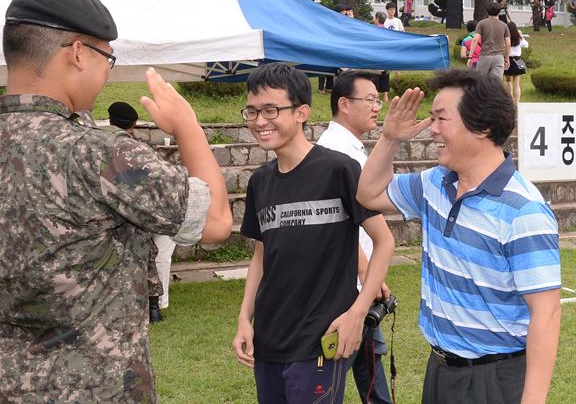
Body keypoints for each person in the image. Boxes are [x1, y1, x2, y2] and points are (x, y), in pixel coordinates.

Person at [0, 0, 232, 403]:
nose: (107, 71)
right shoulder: (99, 153)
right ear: (78, 53)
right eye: (107, 57)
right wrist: (188, 127)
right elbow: (217, 222)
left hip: (1, 387)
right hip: (97, 390)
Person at [357, 69, 561, 404]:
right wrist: (390, 138)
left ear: (482, 127)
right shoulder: (435, 182)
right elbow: (368, 194)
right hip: (440, 368)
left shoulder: (523, 210)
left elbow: (546, 313)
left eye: (441, 119)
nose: (431, 129)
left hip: (494, 379)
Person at [232, 63, 395, 404]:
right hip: (269, 340)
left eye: (271, 110)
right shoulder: (260, 182)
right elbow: (260, 257)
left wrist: (358, 312)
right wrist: (244, 318)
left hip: (321, 340)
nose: (260, 121)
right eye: (253, 111)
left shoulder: (339, 169)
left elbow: (384, 241)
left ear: (302, 112)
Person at [317, 70, 393, 404]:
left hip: (361, 283)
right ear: (344, 104)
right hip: (346, 286)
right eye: (371, 100)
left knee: (370, 361)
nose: (377, 107)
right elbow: (336, 221)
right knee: (333, 375)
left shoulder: (347, 147)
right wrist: (365, 272)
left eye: (378, 100)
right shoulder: (335, 152)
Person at [107, 101, 177, 323]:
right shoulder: (142, 149)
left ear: (110, 121)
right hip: (145, 211)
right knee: (154, 256)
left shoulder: (99, 147)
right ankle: (155, 307)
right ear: (134, 124)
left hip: (114, 213)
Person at [469, 1, 510, 80]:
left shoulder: (481, 23)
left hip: (484, 56)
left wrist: (470, 57)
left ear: (487, 11)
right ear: (499, 12)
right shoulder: (504, 25)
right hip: (499, 57)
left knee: (481, 81)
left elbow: (475, 40)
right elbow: (508, 44)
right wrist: (507, 59)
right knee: (496, 83)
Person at [504, 22, 529, 104]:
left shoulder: (505, 37)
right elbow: (526, 45)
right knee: (517, 84)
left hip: (507, 59)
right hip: (518, 60)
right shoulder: (518, 37)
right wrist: (521, 36)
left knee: (508, 81)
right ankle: (517, 102)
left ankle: (510, 98)